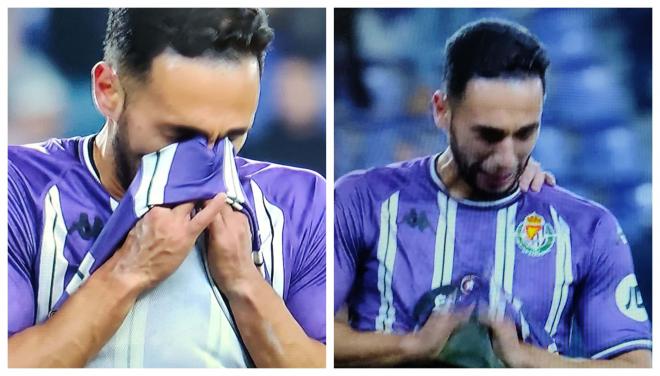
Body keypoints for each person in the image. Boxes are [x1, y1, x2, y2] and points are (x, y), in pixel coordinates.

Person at [8, 8, 325, 368]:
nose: (207, 161)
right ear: (107, 91)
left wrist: (244, 282)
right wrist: (129, 269)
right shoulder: (19, 186)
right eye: (180, 136)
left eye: (233, 136)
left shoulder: (300, 202)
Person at [334, 19, 651, 367]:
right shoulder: (361, 201)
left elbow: (635, 367)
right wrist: (412, 347)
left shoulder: (587, 228)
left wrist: (522, 358)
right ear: (441, 110)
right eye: (489, 135)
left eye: (524, 133)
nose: (506, 159)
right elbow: (310, 343)